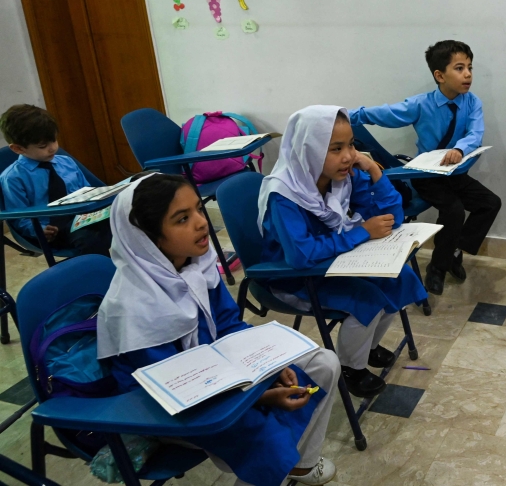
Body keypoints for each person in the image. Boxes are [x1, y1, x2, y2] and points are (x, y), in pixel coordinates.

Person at [96, 173, 338, 486]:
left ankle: (300, 466)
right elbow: (179, 387)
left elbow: (227, 324)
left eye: (199, 209)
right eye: (182, 219)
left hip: (216, 376)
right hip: (170, 406)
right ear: (149, 238)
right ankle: (268, 472)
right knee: (262, 432)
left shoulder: (194, 265)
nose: (201, 223)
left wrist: (268, 366)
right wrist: (260, 394)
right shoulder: (134, 306)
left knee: (324, 363)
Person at [258, 105, 427, 399]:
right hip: (295, 278)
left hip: (334, 262)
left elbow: (392, 218)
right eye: (335, 148)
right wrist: (361, 232)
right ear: (309, 149)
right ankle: (352, 369)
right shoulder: (283, 194)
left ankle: (366, 348)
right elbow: (301, 255)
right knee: (367, 298)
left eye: (350, 145)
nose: (348, 155)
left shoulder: (342, 176)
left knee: (400, 278)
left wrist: (374, 170)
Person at [350, 40, 502, 295]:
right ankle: (437, 269)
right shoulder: (421, 104)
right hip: (426, 175)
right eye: (460, 68)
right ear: (439, 75)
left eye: (470, 68)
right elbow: (387, 113)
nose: (468, 74)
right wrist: (348, 115)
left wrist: (460, 150)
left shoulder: (472, 102)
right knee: (453, 211)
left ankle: (453, 251)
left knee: (490, 203)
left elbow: (475, 133)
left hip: (455, 173)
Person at [0, 104, 112, 256]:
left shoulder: (66, 162)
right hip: (53, 230)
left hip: (84, 218)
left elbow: (88, 192)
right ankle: (103, 274)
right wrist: (39, 230)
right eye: (43, 146)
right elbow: (18, 216)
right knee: (90, 238)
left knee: (134, 218)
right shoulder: (13, 178)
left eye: (54, 141)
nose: (53, 148)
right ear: (18, 149)